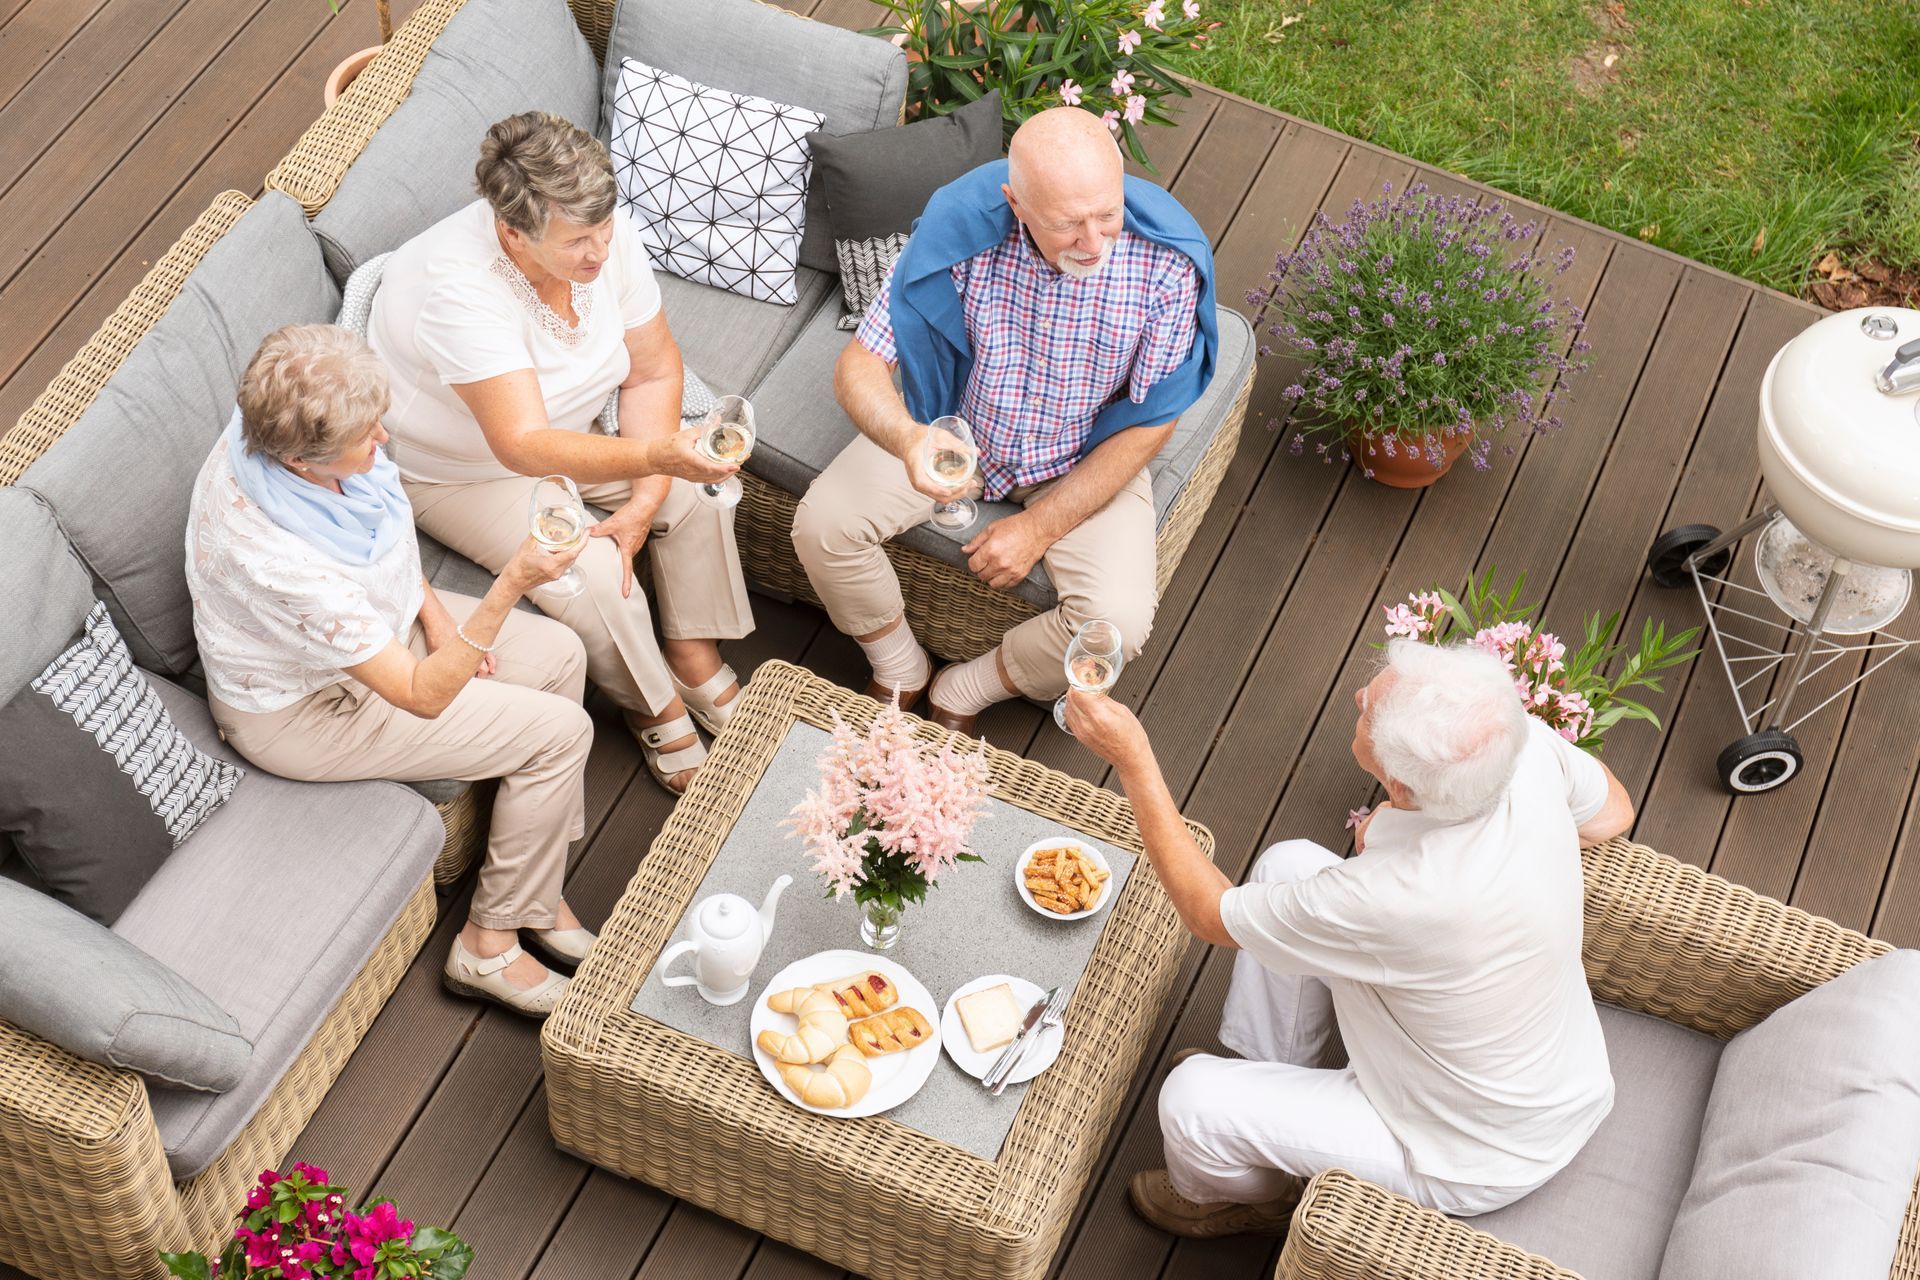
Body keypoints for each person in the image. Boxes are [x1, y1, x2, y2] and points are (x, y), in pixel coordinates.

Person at [1064, 639, 1634, 1237]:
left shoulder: (1398, 896)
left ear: (1401, 782)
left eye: (1369, 712)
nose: (1359, 695)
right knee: (1287, 865)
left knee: (1189, 1102)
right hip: (1540, 1074)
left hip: (1466, 1149)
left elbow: (1208, 914)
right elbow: (1612, 811)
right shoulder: (1508, 748)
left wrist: (1133, 761)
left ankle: (1246, 1196)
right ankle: (1267, 1076)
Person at [186, 324, 597, 1018]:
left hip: (376, 630)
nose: (382, 439)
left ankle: (534, 884)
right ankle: (487, 946)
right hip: (307, 708)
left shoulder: (292, 440)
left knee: (562, 656)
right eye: (365, 438)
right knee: (562, 733)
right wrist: (511, 582)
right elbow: (419, 694)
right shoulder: (277, 557)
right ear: (299, 460)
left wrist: (437, 619)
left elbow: (386, 538)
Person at [792, 106, 1219, 733]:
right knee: (822, 526)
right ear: (1015, 203)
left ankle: (968, 687)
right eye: (1068, 225)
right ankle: (900, 665)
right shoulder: (957, 229)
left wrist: (1042, 525)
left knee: (1117, 627)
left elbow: (1155, 420)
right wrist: (910, 440)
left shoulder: (1169, 263)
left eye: (1107, 213)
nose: (1096, 243)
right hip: (957, 428)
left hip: (1080, 455)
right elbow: (859, 365)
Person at [368, 111, 752, 793]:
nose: (601, 251)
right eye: (579, 240)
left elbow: (655, 371)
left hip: (573, 431)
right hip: (468, 472)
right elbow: (522, 444)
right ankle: (654, 707)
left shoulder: (604, 234)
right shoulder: (458, 291)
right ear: (513, 233)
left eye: (606, 228)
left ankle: (692, 655)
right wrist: (661, 453)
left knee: (703, 491)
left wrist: (649, 494)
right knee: (591, 574)